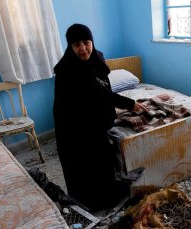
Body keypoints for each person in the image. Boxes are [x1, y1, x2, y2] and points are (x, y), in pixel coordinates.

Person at [53, 23, 147, 212]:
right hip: (73, 124)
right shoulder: (68, 69)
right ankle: (90, 203)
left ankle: (107, 196)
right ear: (70, 47)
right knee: (83, 165)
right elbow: (99, 93)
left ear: (92, 42)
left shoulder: (97, 58)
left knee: (102, 162)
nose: (83, 49)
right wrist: (129, 103)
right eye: (76, 45)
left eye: (86, 43)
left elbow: (104, 87)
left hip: (93, 119)